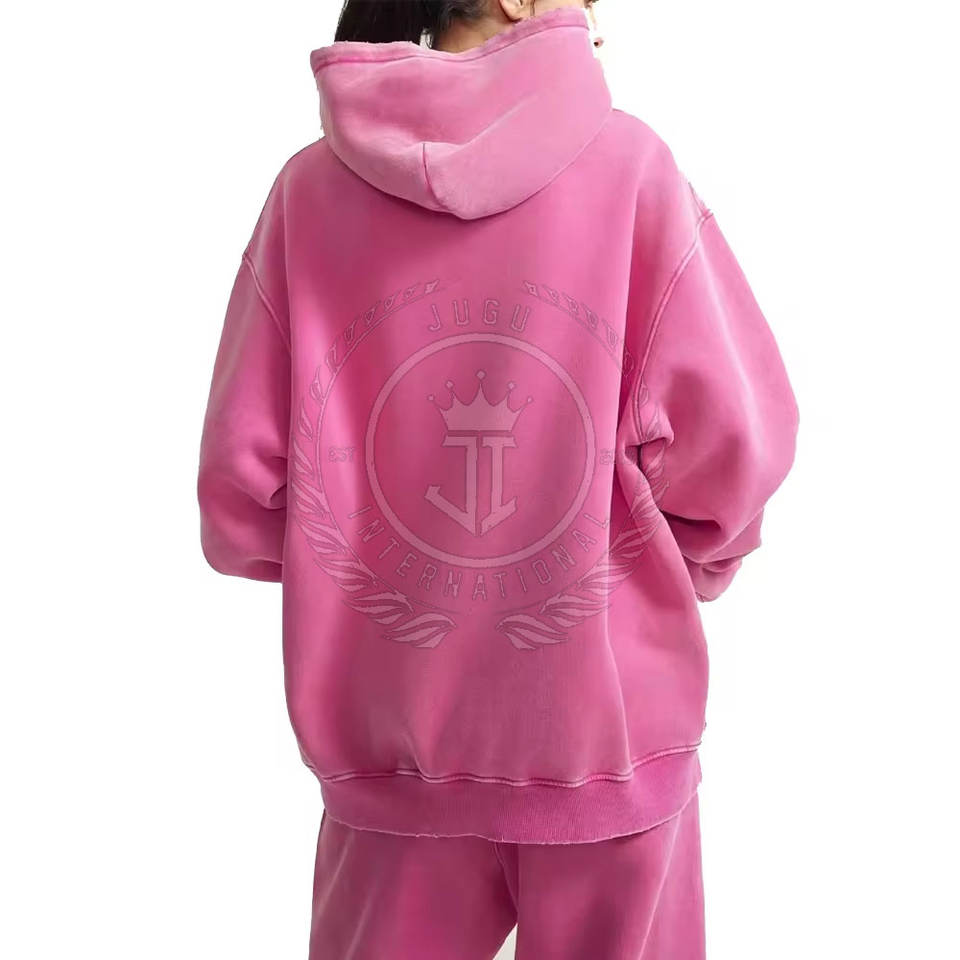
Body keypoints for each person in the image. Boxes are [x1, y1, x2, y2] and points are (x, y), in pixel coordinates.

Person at [197, 1, 799, 956]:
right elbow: (734, 448)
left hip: (389, 750)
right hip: (608, 737)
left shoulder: (307, 196)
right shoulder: (630, 172)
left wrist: (347, 577)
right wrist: (685, 561)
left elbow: (242, 489)